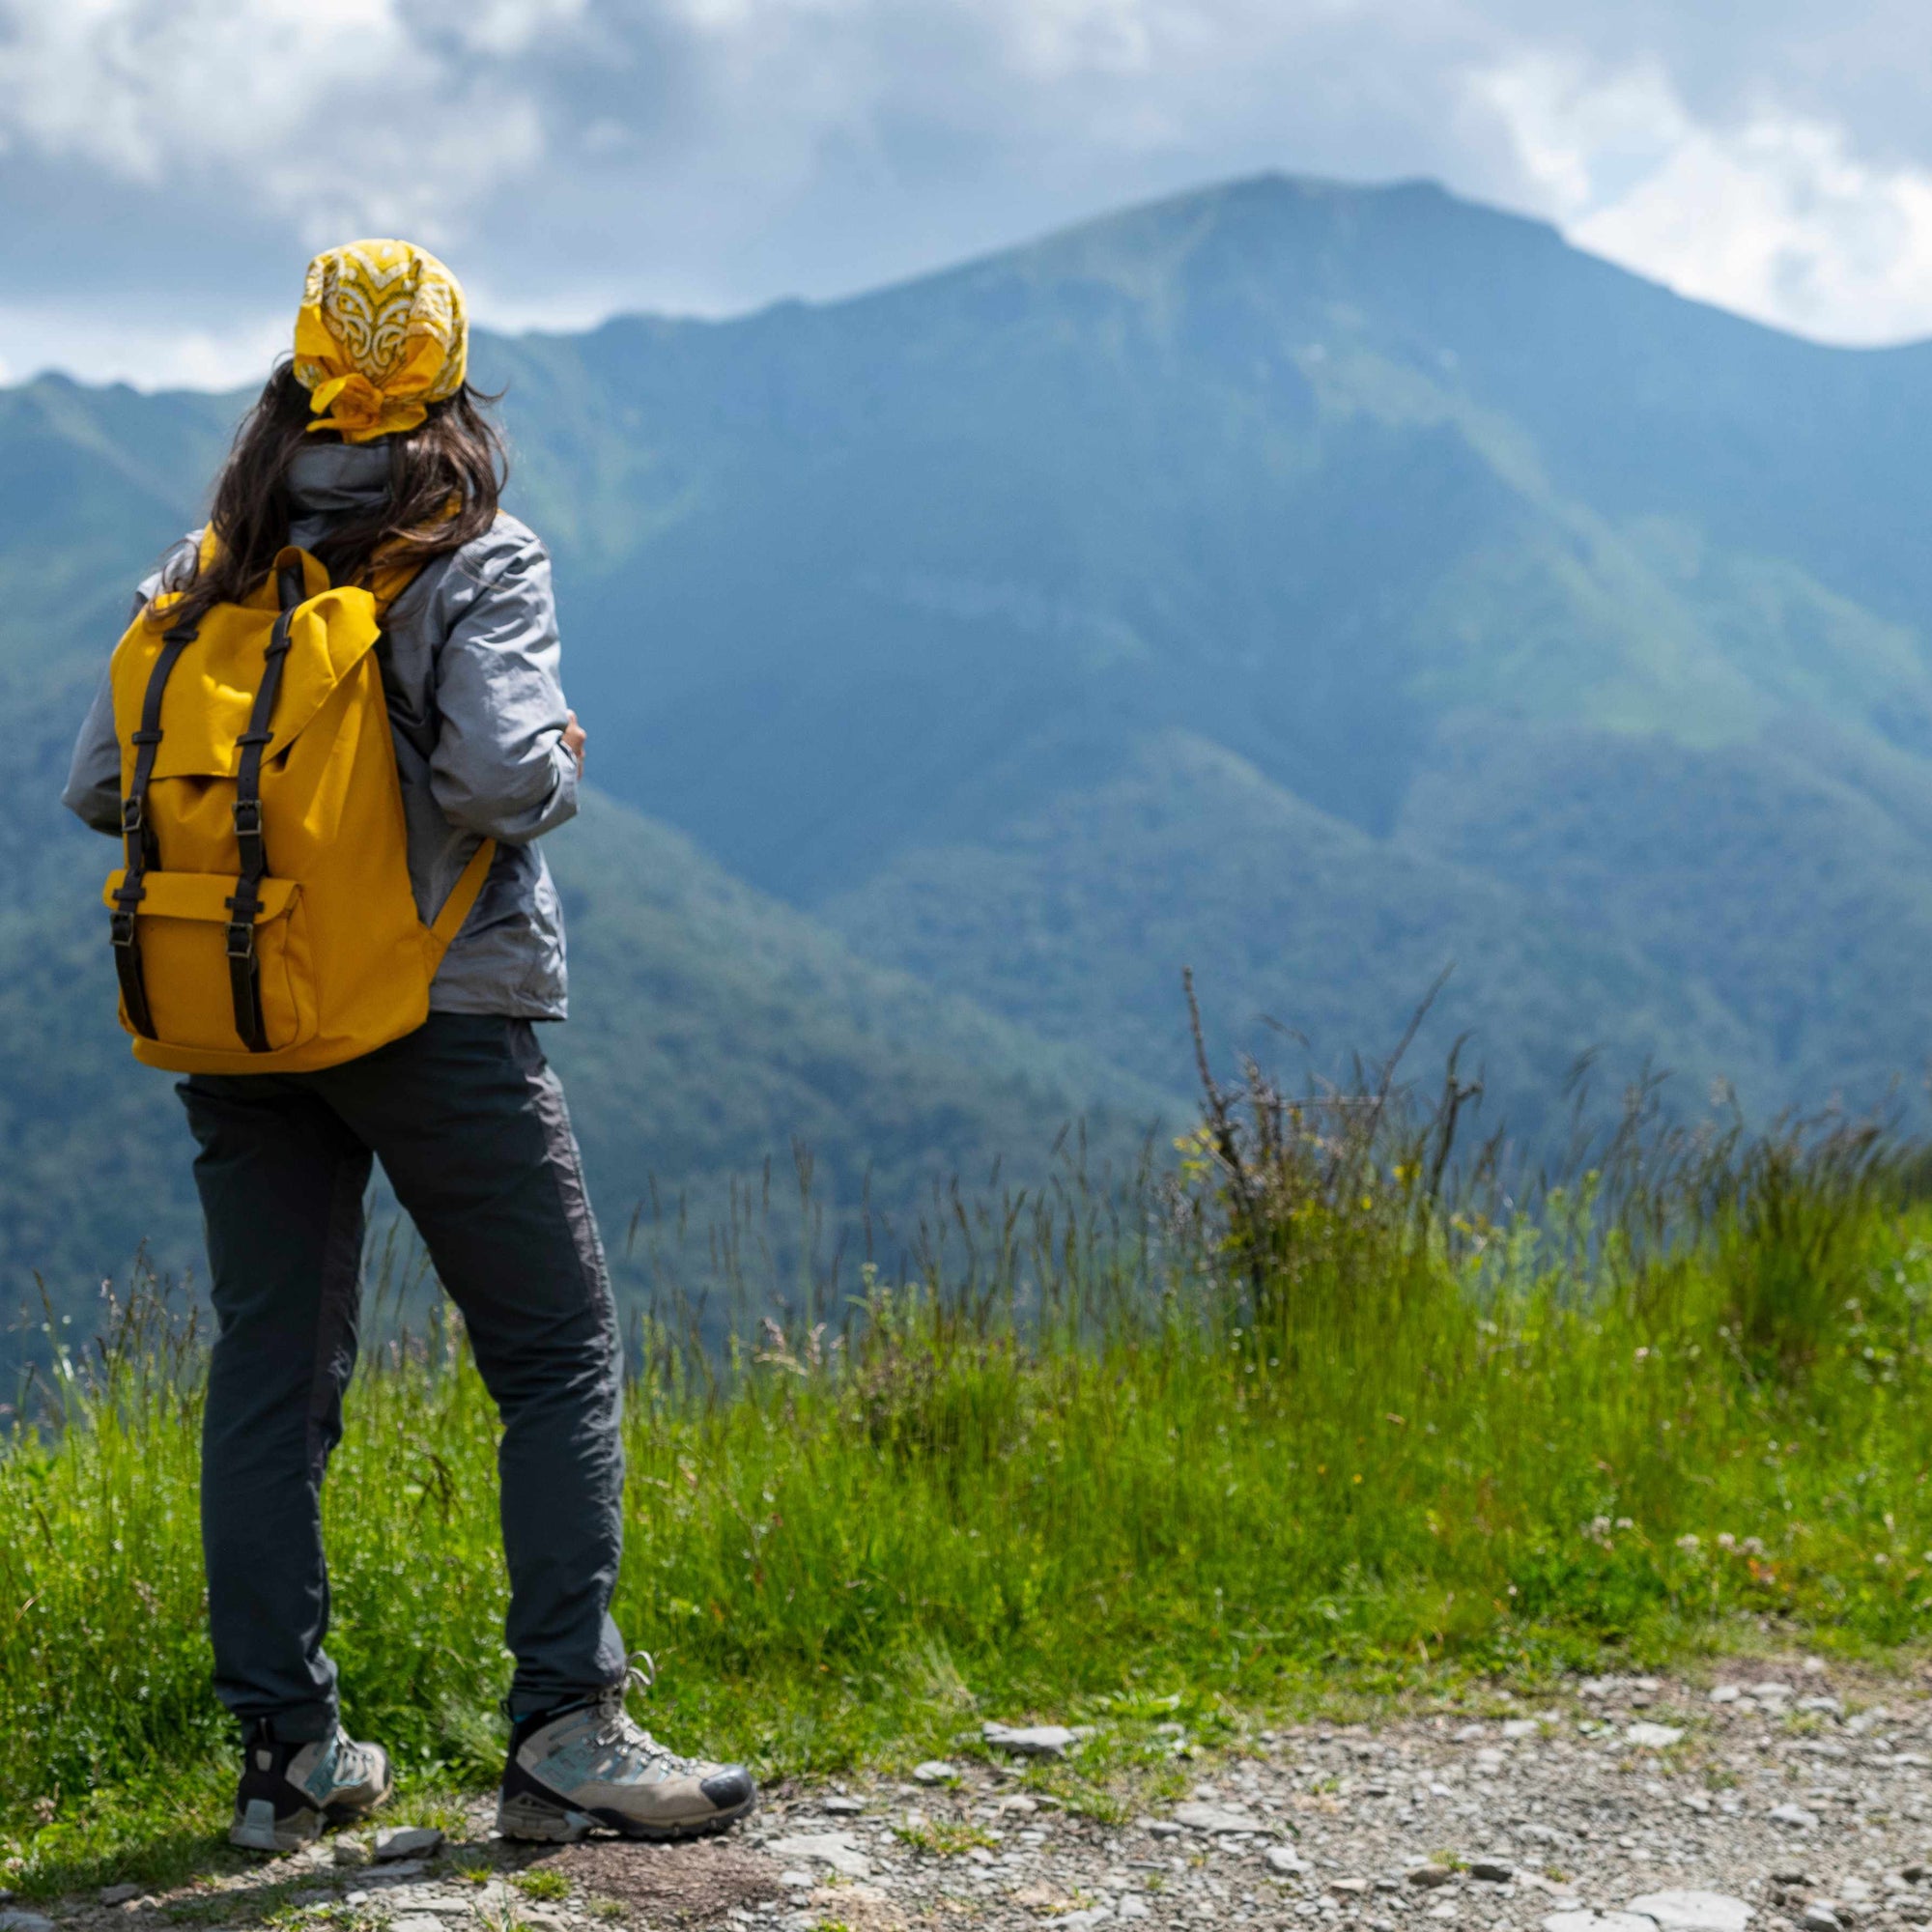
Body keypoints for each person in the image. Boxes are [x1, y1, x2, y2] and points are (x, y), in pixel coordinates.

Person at [60, 240, 755, 1853]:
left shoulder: (203, 559)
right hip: (438, 1022)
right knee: (555, 1354)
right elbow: (510, 783)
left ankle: (285, 1761)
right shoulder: (478, 557)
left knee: (271, 1379)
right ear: (450, 380)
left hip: (238, 1014)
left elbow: (108, 786)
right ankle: (568, 1733)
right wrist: (567, 749)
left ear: (300, 376)